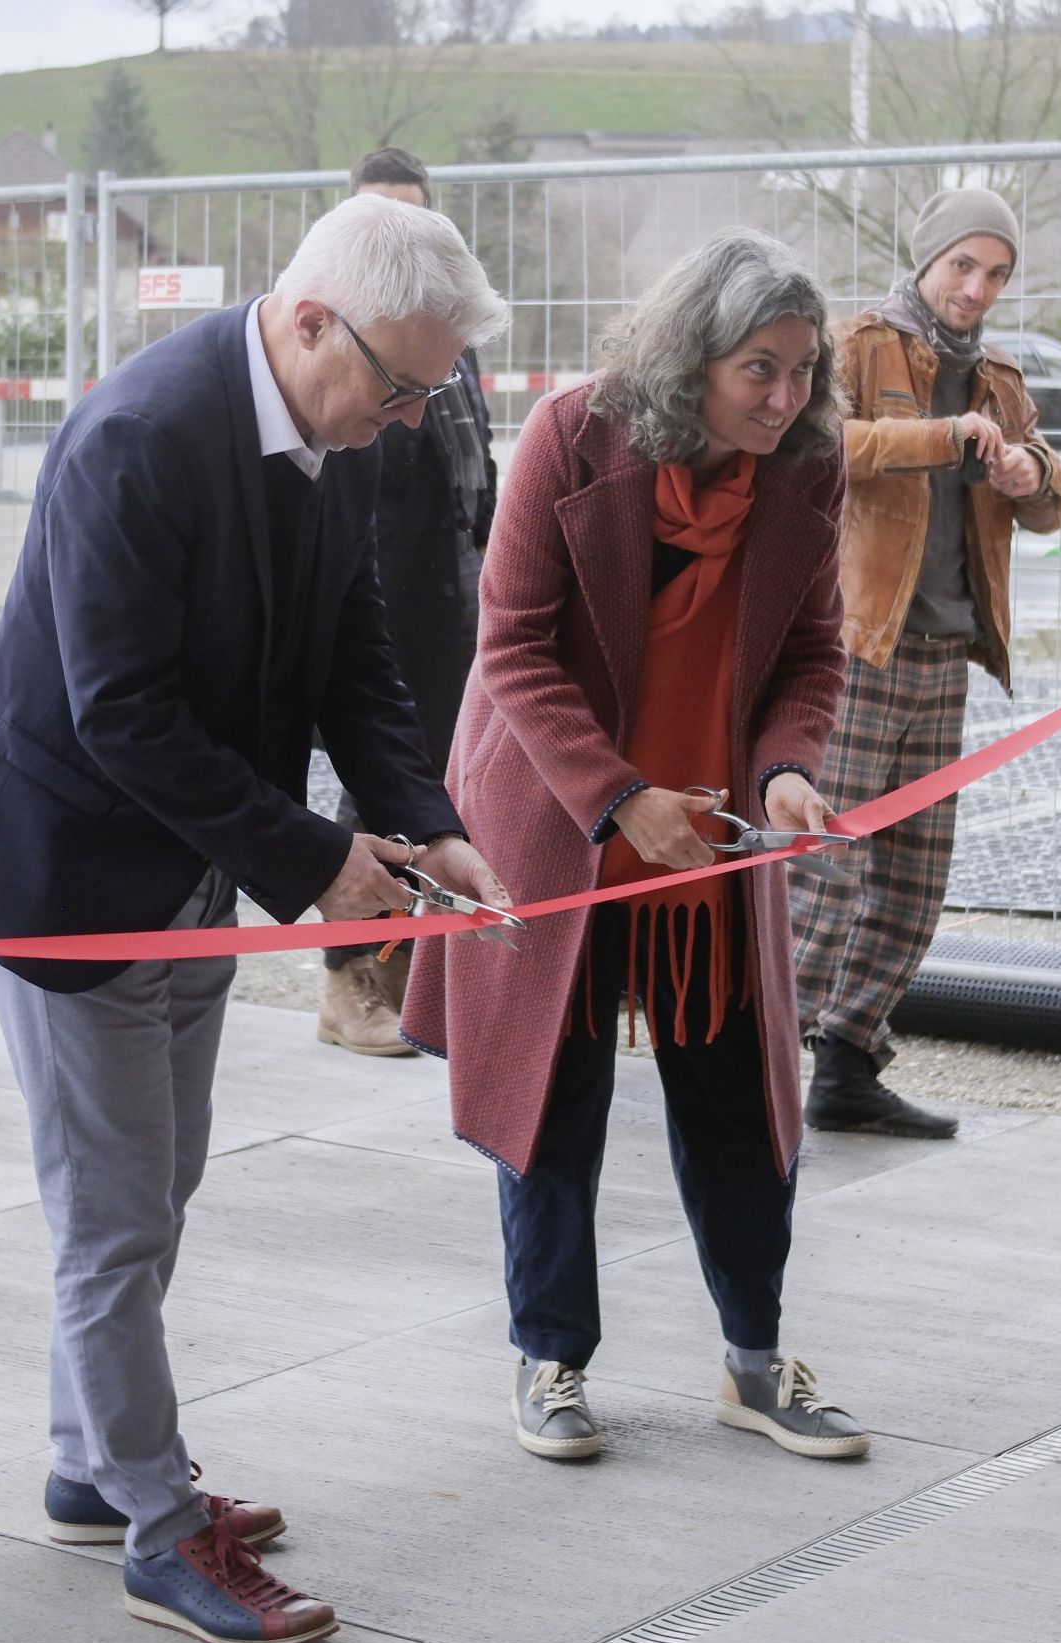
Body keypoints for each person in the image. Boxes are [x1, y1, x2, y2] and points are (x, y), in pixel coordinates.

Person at [0, 193, 512, 1643]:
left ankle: (91, 1458)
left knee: (156, 1180)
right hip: (70, 878)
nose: (409, 414)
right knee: (113, 1216)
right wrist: (317, 862)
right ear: (311, 318)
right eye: (397, 382)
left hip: (192, 867)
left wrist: (425, 819)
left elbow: (352, 653)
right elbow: (119, 709)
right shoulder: (139, 438)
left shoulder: (339, 434)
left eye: (431, 389)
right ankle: (157, 1526)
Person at [402, 230, 868, 1466]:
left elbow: (812, 655)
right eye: (758, 370)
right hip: (562, 824)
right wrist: (615, 799)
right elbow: (508, 646)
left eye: (802, 371)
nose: (785, 399)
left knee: (738, 1099)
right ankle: (548, 1357)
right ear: (692, 359)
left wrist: (783, 772)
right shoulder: (572, 433)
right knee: (553, 1102)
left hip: (708, 843)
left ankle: (757, 1363)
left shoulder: (804, 470)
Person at [788, 188, 1061, 1139]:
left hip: (947, 652)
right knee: (823, 872)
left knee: (914, 882)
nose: (977, 288)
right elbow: (820, 445)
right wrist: (942, 439)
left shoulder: (997, 372)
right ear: (927, 261)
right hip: (861, 645)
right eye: (964, 265)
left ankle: (848, 1068)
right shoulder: (862, 343)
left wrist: (1033, 472)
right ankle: (744, 1067)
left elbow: (1045, 492)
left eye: (996, 273)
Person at [314, 146, 500, 1056]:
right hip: (389, 617)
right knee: (378, 796)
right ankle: (351, 984)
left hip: (457, 613)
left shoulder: (450, 355)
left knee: (437, 796)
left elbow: (479, 483)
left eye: (419, 222)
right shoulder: (354, 361)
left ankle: (407, 975)